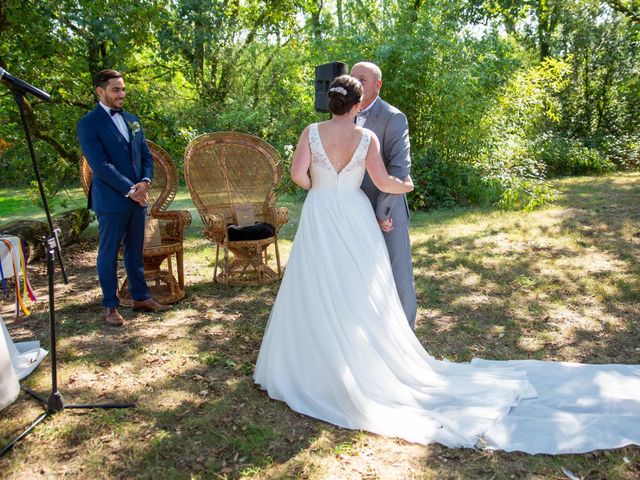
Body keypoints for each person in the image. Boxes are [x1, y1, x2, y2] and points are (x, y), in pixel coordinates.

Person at [253, 75, 640, 454]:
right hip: (354, 215)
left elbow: (297, 174)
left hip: (321, 211)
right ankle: (352, 362)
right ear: (357, 105)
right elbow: (385, 180)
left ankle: (316, 366)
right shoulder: (365, 138)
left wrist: (321, 188)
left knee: (316, 282)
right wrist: (405, 186)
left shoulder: (311, 131)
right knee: (357, 288)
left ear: (332, 102)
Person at [77, 69, 170, 327]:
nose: (122, 94)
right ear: (100, 91)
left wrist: (145, 182)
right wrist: (131, 190)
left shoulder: (132, 119)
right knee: (108, 253)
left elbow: (146, 156)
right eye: (116, 89)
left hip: (138, 198)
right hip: (111, 200)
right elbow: (101, 164)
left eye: (123, 89)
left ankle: (141, 297)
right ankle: (110, 306)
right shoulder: (88, 123)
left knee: (134, 251)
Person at [351, 61, 417, 329]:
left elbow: (400, 169)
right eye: (353, 78)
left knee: (398, 273)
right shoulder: (343, 115)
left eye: (363, 79)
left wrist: (382, 212)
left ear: (378, 85)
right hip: (352, 208)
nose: (356, 83)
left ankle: (407, 339)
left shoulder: (393, 117)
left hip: (386, 208)